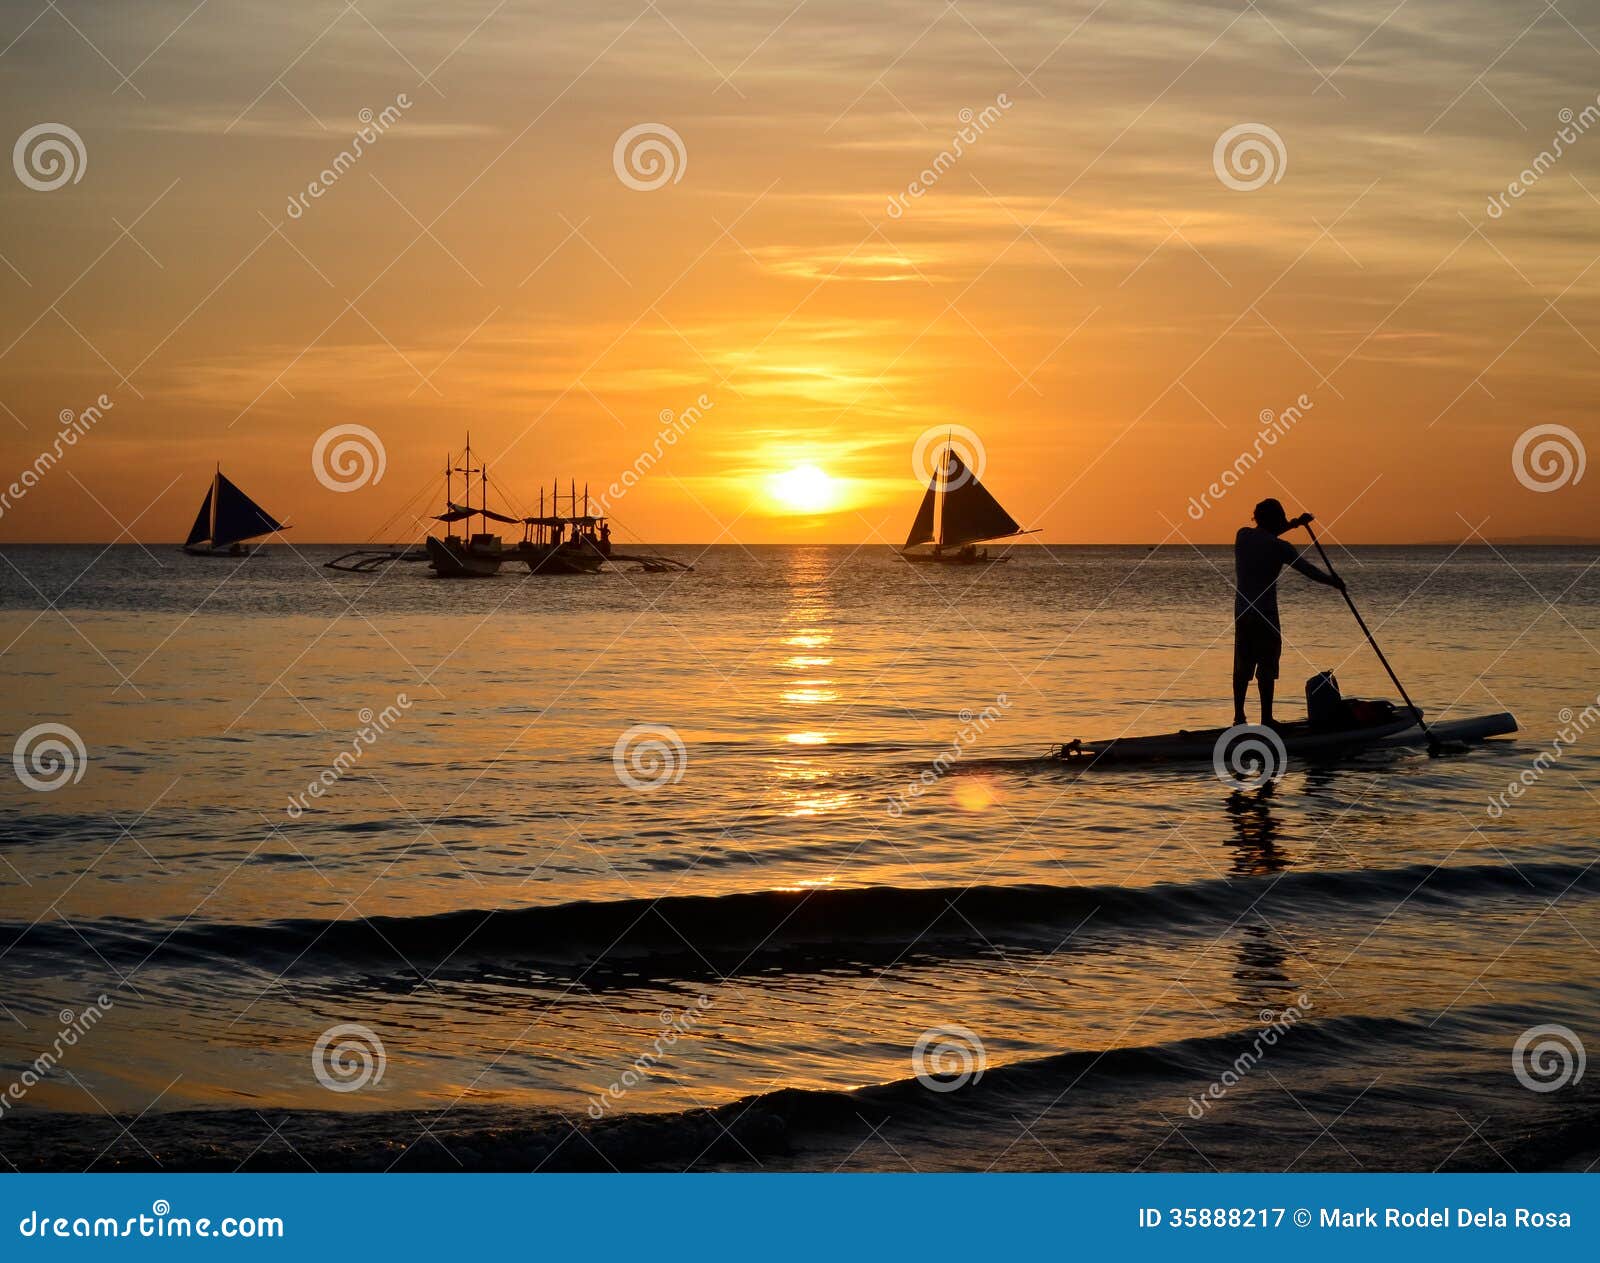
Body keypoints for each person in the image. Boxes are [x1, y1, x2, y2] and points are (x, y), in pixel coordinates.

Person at [1233, 498, 1344, 727]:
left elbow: (1268, 532)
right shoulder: (1280, 548)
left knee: (1242, 667)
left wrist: (1294, 523)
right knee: (1266, 667)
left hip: (1243, 614)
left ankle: (1239, 717)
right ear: (1275, 520)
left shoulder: (1242, 536)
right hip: (1266, 615)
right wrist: (1333, 582)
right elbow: (1308, 570)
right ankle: (1266, 720)